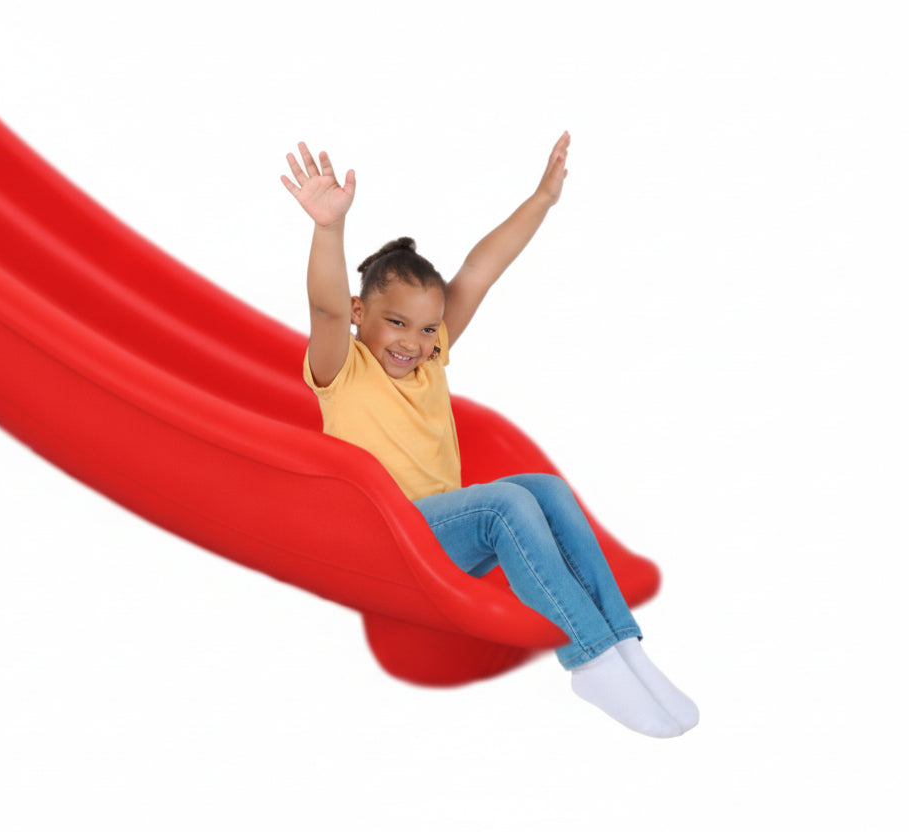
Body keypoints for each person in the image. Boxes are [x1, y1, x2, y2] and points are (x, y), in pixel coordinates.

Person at [281, 134, 698, 738]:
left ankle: (623, 647)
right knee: (505, 502)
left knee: (546, 490)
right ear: (358, 313)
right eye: (396, 322)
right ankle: (590, 659)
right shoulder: (341, 368)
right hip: (385, 543)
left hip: (438, 542)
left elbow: (480, 268)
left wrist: (542, 199)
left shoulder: (429, 359)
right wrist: (328, 229)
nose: (413, 341)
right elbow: (320, 309)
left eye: (427, 328)